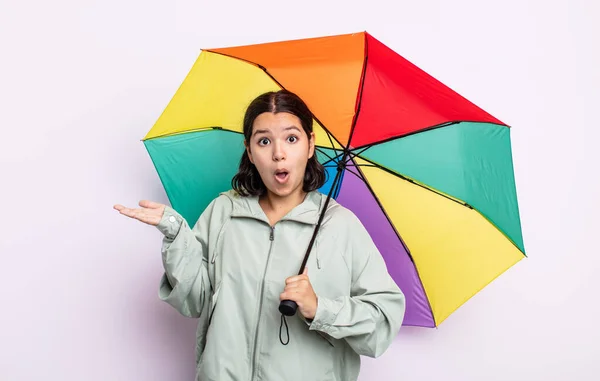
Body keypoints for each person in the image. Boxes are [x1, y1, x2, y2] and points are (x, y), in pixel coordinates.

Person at [114, 90, 405, 381]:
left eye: (291, 139)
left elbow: (381, 324)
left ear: (310, 144)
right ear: (250, 151)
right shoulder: (223, 212)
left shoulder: (341, 226)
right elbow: (194, 300)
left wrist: (320, 308)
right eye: (264, 141)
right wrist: (177, 235)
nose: (278, 153)